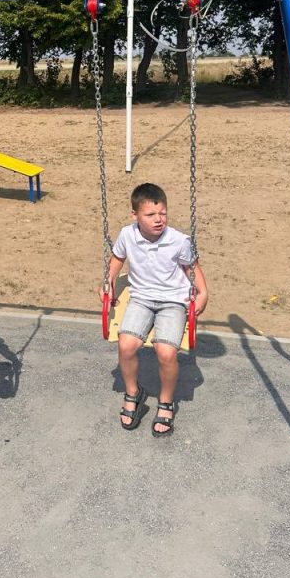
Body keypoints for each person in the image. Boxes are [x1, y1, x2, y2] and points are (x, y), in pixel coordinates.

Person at [101, 182, 208, 437]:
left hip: (173, 300)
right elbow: (118, 258)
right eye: (150, 215)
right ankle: (133, 393)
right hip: (141, 298)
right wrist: (108, 280)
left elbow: (191, 267)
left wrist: (203, 293)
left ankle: (166, 401)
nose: (158, 219)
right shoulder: (127, 235)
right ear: (135, 215)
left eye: (163, 213)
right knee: (126, 345)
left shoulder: (178, 241)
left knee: (166, 352)